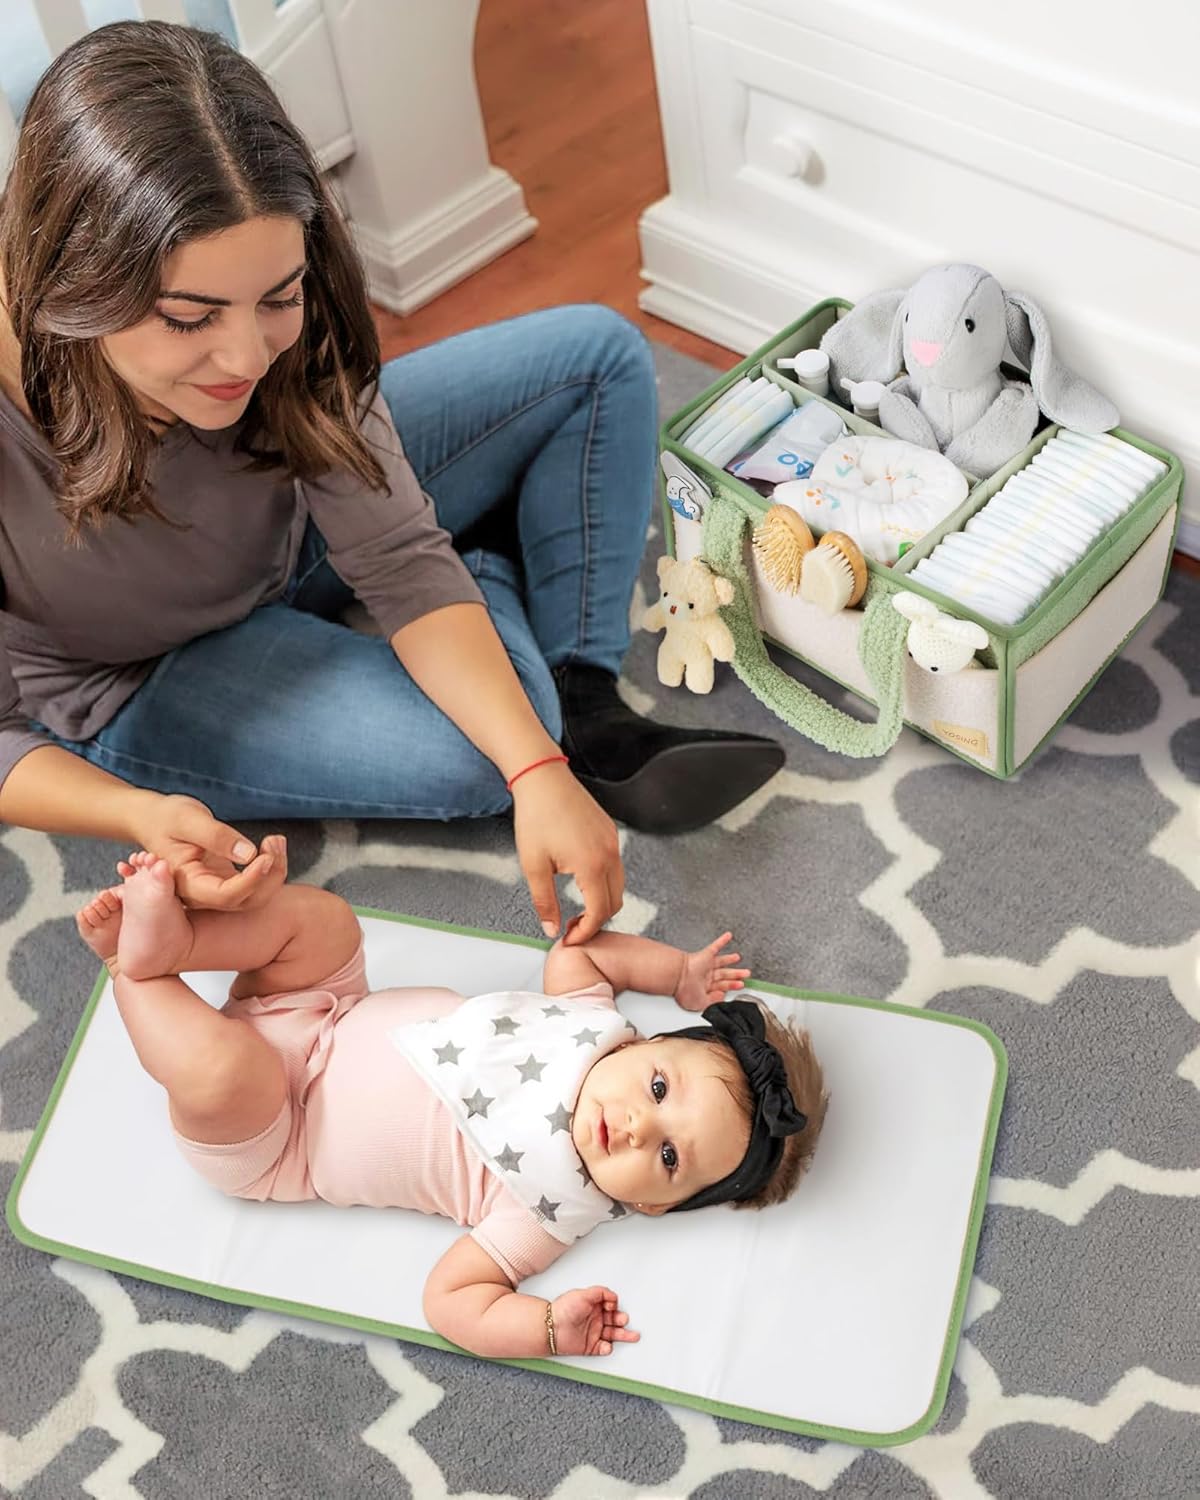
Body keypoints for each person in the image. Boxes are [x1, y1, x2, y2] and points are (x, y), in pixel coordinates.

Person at [0, 20, 785, 943]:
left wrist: (540, 770)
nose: (248, 356)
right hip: (140, 670)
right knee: (479, 755)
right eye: (188, 318)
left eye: (278, 298)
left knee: (597, 358)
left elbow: (402, 561)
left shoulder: (282, 299)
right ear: (75, 284)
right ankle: (497, 571)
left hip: (296, 522)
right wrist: (135, 811)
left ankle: (583, 693)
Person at [75, 837, 828, 1360]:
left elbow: (451, 1301)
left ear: (652, 1206)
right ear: (644, 1045)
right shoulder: (592, 1021)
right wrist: (677, 975)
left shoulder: (551, 1211)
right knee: (326, 922)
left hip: (275, 1135)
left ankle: (133, 973)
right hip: (325, 1007)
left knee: (226, 1070)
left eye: (667, 1158)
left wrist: (546, 1327)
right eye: (659, 1089)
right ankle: (178, 947)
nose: (636, 1127)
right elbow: (581, 950)